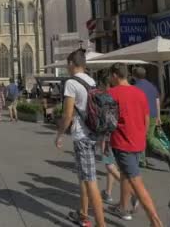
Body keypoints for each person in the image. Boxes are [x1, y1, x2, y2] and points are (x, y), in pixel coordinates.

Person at [54, 49, 106, 227]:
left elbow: (67, 115)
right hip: (92, 133)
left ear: (71, 64)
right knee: (84, 177)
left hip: (82, 136)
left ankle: (101, 224)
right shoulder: (91, 80)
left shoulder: (71, 82)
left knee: (90, 181)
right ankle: (83, 214)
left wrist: (59, 134)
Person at [107, 63, 163, 225]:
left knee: (135, 182)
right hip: (138, 141)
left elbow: (108, 122)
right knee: (126, 175)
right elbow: (146, 118)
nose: (110, 79)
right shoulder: (139, 93)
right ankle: (123, 207)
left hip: (123, 143)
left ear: (115, 75)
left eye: (111, 76)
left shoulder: (111, 93)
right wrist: (142, 136)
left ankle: (155, 220)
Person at [132, 67, 170, 170]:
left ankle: (165, 154)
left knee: (147, 137)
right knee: (146, 136)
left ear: (134, 76)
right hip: (153, 114)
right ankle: (142, 160)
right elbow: (157, 100)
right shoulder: (152, 86)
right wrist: (158, 116)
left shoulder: (135, 87)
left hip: (141, 115)